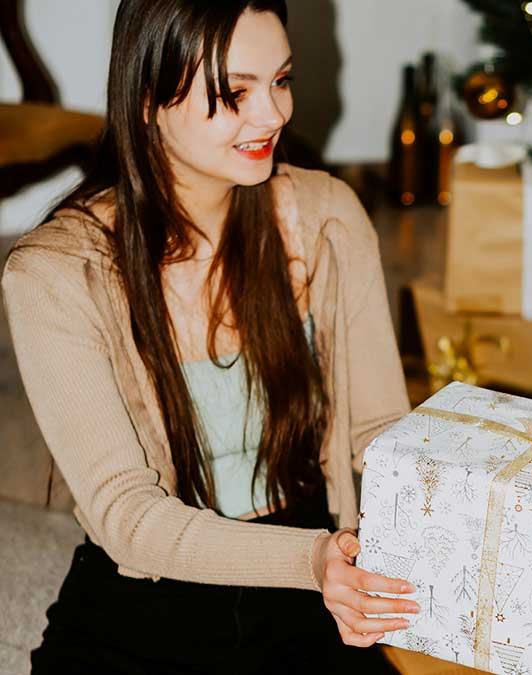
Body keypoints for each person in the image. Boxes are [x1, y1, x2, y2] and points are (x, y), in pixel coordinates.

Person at [3, 1, 417, 672]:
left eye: (281, 80)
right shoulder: (55, 274)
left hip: (308, 570)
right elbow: (129, 519)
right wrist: (308, 560)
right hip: (150, 586)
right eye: (234, 93)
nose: (274, 114)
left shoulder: (327, 218)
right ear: (145, 100)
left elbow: (382, 431)